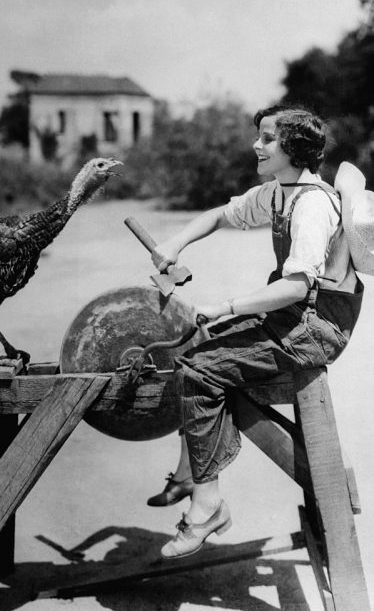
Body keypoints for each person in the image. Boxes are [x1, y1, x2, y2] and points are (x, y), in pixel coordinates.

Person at [150, 104, 363, 559]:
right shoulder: (278, 192)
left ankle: (207, 508)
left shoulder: (311, 206)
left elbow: (297, 285)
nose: (256, 146)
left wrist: (223, 306)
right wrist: (175, 243)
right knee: (198, 340)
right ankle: (192, 470)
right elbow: (219, 215)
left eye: (267, 138)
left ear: (294, 148)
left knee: (198, 371)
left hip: (314, 327)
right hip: (294, 315)